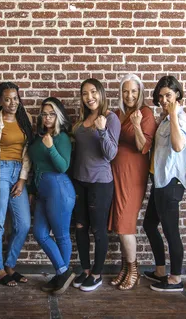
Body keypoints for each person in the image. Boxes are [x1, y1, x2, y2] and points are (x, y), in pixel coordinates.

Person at [0, 82, 33, 287]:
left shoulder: (25, 120)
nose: (12, 103)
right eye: (7, 99)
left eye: (15, 98)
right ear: (0, 101)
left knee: (24, 224)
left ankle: (10, 264)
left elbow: (27, 154)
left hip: (18, 172)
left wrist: (22, 179)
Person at [143, 76, 186, 292]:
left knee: (171, 231)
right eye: (161, 96)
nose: (163, 99)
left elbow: (178, 145)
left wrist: (172, 115)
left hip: (171, 182)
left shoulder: (179, 118)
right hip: (160, 180)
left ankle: (176, 279)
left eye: (168, 95)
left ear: (177, 95)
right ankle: (160, 271)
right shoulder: (165, 118)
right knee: (149, 224)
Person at [108, 74, 157, 290]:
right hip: (115, 175)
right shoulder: (118, 113)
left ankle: (134, 269)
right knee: (119, 222)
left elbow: (142, 147)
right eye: (126, 91)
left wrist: (136, 125)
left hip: (132, 175)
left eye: (134, 91)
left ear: (140, 93)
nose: (129, 95)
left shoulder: (145, 113)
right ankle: (126, 268)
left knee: (125, 224)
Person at [72, 78, 120, 292]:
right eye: (85, 94)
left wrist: (102, 130)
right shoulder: (82, 119)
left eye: (93, 92)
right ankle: (86, 270)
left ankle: (98, 274)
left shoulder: (110, 118)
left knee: (98, 230)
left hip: (100, 183)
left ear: (101, 93)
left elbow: (111, 154)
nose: (89, 97)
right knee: (80, 227)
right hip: (80, 182)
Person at [29, 97, 76, 295]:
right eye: (44, 114)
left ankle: (60, 277)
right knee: (39, 233)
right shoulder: (40, 135)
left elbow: (63, 166)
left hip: (59, 188)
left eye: (51, 114)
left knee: (61, 235)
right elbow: (35, 165)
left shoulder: (62, 137)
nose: (47, 117)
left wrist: (50, 147)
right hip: (42, 191)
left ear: (58, 116)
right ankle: (63, 272)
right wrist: (32, 190)